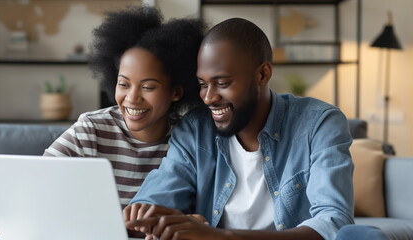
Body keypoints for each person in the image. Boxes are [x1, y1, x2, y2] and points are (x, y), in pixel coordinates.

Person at [123, 18, 356, 240]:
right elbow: (156, 199)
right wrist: (143, 218)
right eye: (203, 85)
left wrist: (221, 237)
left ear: (262, 74)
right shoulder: (195, 130)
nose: (208, 97)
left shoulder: (319, 124)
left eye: (222, 83)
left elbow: (333, 224)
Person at [0, 6, 204, 236]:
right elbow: (5, 217)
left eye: (147, 87)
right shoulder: (91, 130)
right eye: (123, 84)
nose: (132, 98)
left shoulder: (190, 142)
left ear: (176, 92)